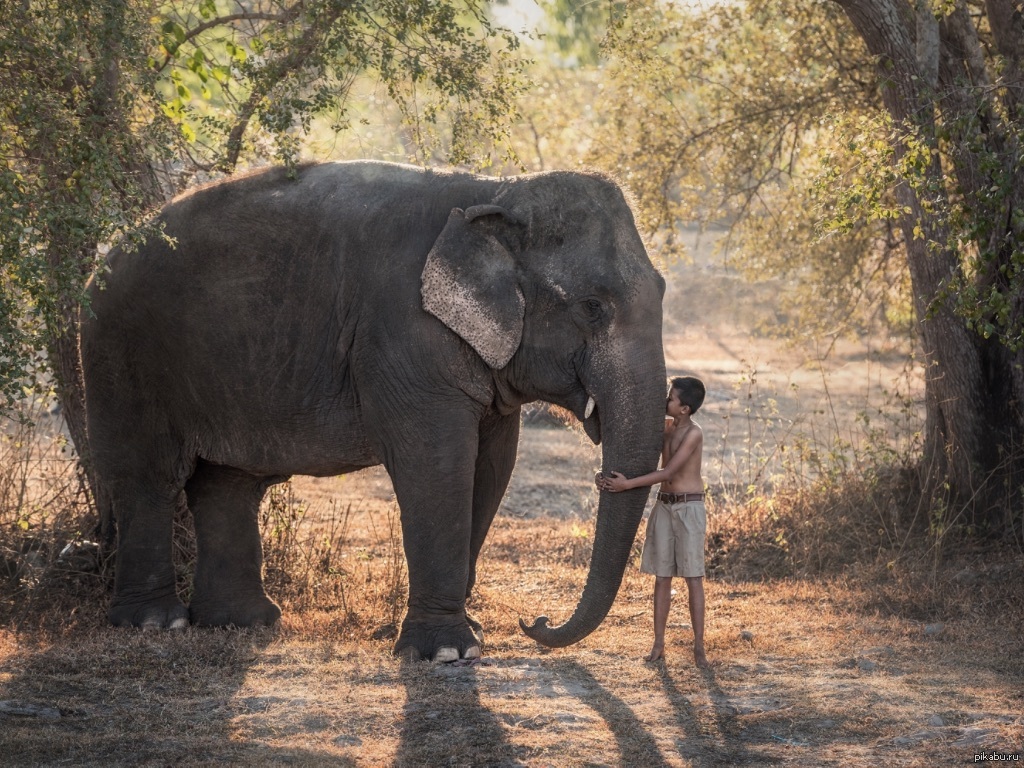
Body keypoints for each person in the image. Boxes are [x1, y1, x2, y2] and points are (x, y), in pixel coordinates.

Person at [596, 376, 708, 667]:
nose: (665, 402)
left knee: (693, 578)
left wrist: (627, 485)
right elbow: (638, 453)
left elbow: (668, 471)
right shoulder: (666, 427)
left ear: (684, 409)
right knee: (662, 577)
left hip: (689, 509)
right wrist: (608, 475)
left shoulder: (694, 434)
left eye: (670, 398)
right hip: (664, 506)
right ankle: (658, 644)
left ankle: (699, 647)